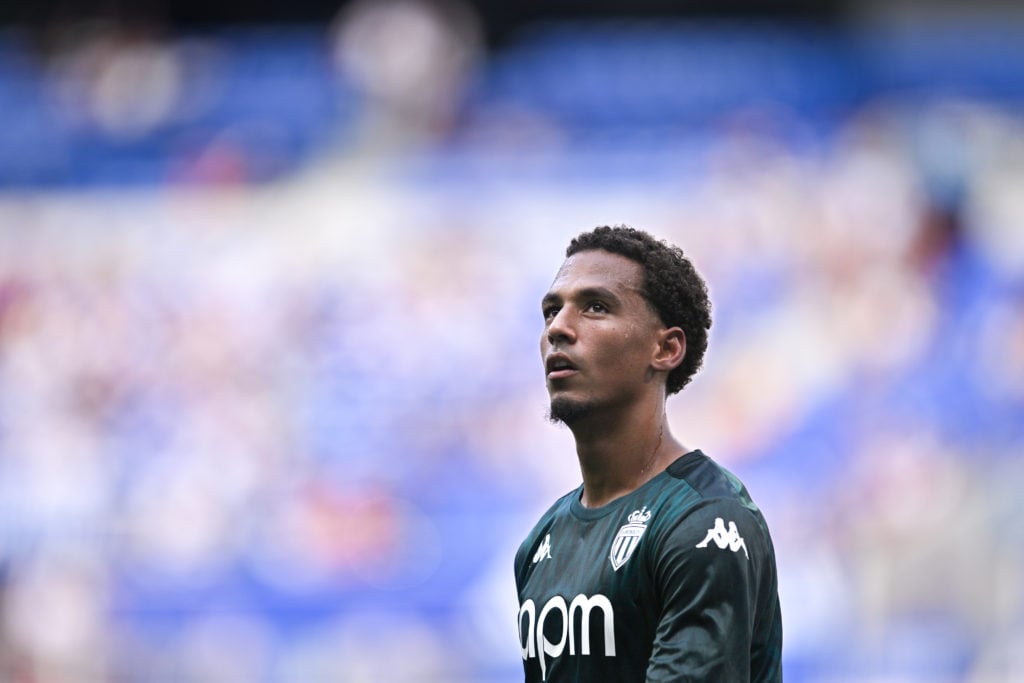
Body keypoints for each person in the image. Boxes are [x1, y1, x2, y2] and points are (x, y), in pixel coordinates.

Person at [515, 225, 783, 682]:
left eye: (596, 307)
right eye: (551, 311)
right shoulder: (541, 542)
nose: (558, 327)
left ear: (666, 348)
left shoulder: (703, 520)